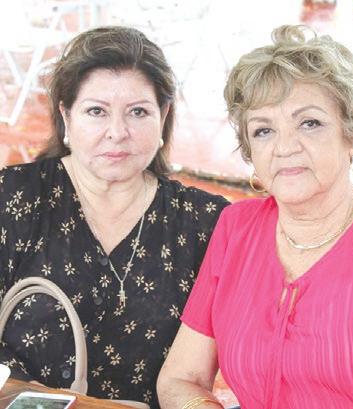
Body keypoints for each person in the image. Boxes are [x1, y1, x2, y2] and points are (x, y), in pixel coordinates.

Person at [157, 25, 353, 408]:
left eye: (310, 123)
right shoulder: (237, 227)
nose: (285, 147)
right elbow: (180, 379)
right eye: (264, 131)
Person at [0, 26, 228, 408]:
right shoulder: (14, 199)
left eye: (138, 112)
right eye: (96, 111)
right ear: (66, 116)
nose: (118, 132)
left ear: (163, 116)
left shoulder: (204, 222)